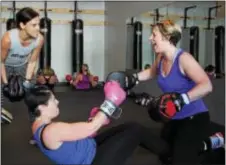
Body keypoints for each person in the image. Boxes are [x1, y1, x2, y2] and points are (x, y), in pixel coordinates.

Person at [105, 20, 224, 165]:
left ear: (166, 37)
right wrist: (133, 77)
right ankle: (207, 144)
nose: (150, 38)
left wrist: (182, 99)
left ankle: (213, 142)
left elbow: (207, 85)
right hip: (173, 117)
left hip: (195, 117)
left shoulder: (184, 59)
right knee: (165, 155)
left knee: (180, 160)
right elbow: (152, 72)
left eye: (154, 35)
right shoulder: (161, 57)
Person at [24, 83, 170, 165]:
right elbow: (90, 128)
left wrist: (93, 123)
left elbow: (71, 137)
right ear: (41, 107)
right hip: (94, 160)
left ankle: (166, 151)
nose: (57, 102)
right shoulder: (51, 131)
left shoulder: (36, 125)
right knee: (136, 130)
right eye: (53, 100)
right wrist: (110, 101)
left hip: (89, 146)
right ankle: (171, 156)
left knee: (130, 126)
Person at [1, 7, 44, 144]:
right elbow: (0, 61)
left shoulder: (39, 39)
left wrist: (26, 81)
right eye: (34, 25)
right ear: (22, 25)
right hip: (5, 65)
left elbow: (32, 61)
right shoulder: (8, 38)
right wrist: (6, 83)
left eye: (39, 24)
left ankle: (38, 133)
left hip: (23, 65)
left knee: (32, 100)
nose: (38, 28)